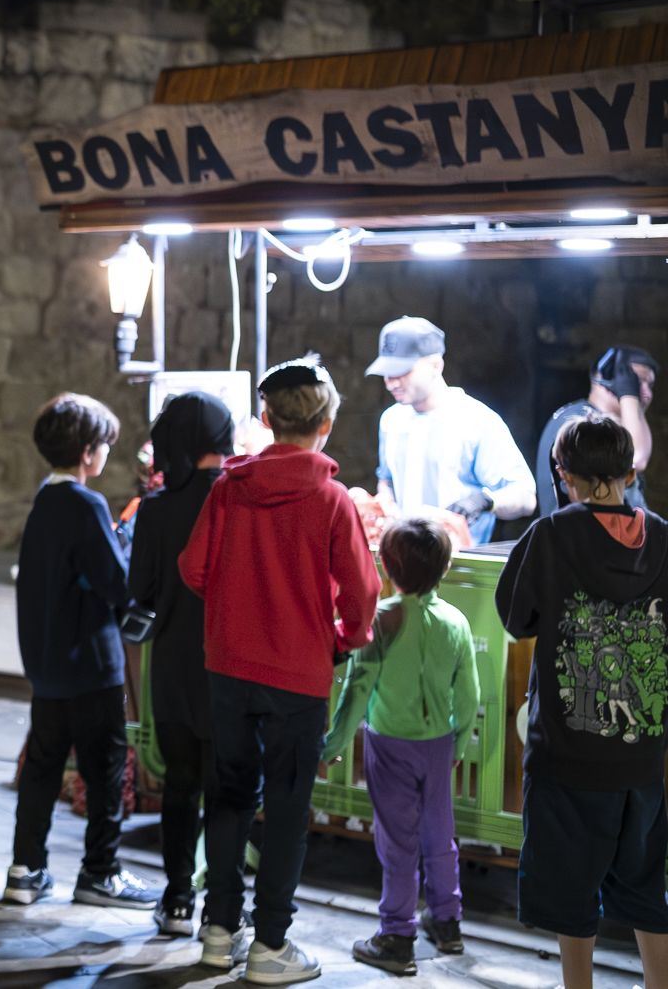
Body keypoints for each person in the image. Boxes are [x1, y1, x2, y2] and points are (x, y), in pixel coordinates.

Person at [181, 356, 380, 985]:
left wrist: (235, 605)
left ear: (266, 419)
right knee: (289, 808)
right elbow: (361, 592)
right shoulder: (330, 500)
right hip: (298, 676)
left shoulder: (228, 490)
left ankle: (219, 933)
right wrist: (346, 639)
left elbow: (194, 570)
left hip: (229, 669)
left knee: (231, 796)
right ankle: (271, 947)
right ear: (325, 425)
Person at [498, 412, 668, 989]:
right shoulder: (666, 538)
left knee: (569, 888)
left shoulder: (552, 535)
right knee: (642, 881)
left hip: (566, 754)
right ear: (630, 470)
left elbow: (517, 617)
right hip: (639, 758)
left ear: (564, 476)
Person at [3, 393, 159, 913]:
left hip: (47, 666)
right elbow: (116, 585)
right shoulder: (87, 504)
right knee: (106, 769)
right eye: (106, 447)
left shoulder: (44, 501)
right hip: (91, 666)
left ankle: (26, 870)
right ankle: (100, 872)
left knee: (44, 769)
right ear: (90, 452)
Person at [323, 517, 479, 975]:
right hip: (438, 746)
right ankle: (448, 923)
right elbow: (468, 694)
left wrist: (333, 743)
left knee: (397, 841)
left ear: (385, 567)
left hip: (389, 745)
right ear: (445, 568)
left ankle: (396, 934)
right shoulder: (456, 622)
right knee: (439, 835)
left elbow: (356, 690)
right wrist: (457, 745)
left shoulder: (383, 619)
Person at [127, 391, 237, 938]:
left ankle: (175, 902)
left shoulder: (156, 509)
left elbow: (139, 591)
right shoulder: (242, 501)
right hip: (231, 667)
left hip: (172, 666)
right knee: (227, 791)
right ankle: (222, 910)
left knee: (180, 786)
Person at [369, 316, 537, 545]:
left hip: (459, 562)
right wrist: (384, 504)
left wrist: (487, 500)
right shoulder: (391, 420)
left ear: (436, 365)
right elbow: (386, 479)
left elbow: (526, 497)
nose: (392, 383)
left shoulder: (477, 420)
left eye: (402, 371)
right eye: (387, 374)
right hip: (403, 560)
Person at [533, 345, 656, 518]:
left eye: (650, 385)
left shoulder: (604, 424)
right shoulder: (580, 422)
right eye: (636, 382)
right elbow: (637, 459)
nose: (647, 393)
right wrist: (630, 396)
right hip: (582, 540)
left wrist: (634, 401)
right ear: (607, 378)